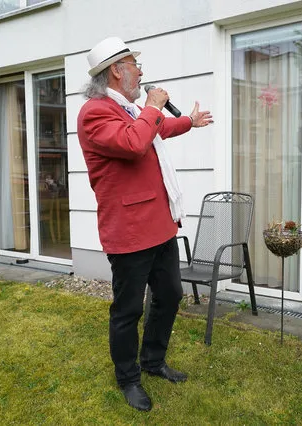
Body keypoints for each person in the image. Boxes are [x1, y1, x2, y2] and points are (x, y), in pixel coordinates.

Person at [76, 36, 213, 412]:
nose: (141, 71)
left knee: (170, 295)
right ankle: (128, 378)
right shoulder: (95, 113)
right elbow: (136, 143)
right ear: (116, 71)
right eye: (135, 65)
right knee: (128, 310)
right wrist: (153, 106)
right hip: (130, 231)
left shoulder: (131, 110)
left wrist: (189, 121)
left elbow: (158, 131)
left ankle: (153, 362)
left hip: (160, 224)